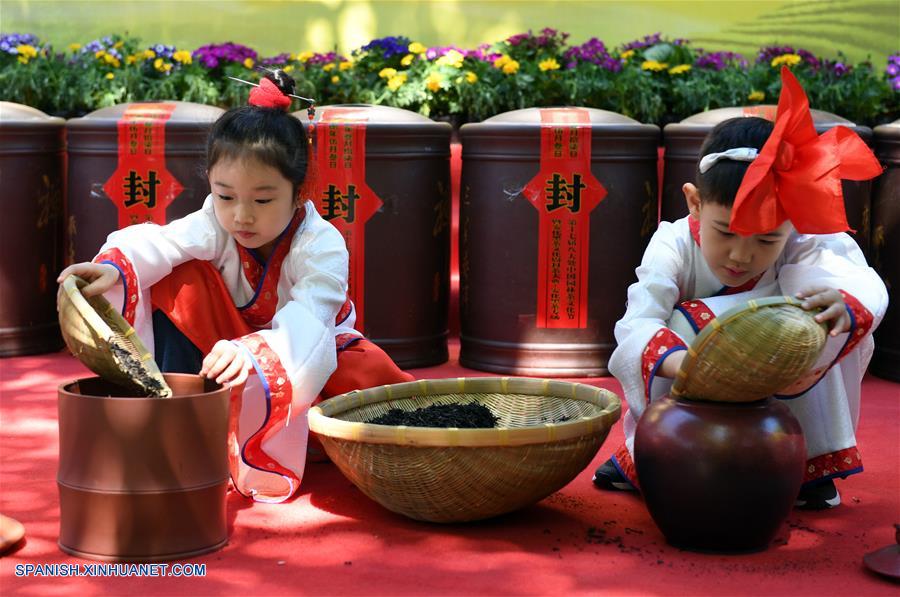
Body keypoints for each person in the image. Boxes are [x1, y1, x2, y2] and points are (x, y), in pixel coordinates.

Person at [56, 70, 413, 503]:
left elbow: (310, 320)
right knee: (174, 273)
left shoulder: (321, 244)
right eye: (226, 196)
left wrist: (253, 352)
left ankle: (293, 432)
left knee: (369, 379)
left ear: (299, 192)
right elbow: (165, 241)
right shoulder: (213, 222)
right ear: (210, 183)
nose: (242, 216)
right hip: (229, 347)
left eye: (263, 200)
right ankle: (179, 409)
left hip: (306, 355)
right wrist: (116, 268)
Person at [592, 66, 888, 510]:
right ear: (694, 202)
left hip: (777, 367)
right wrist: (688, 363)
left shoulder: (803, 238)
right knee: (676, 323)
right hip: (692, 375)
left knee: (828, 319)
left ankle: (805, 461)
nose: (740, 256)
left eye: (767, 239)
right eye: (726, 232)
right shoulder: (672, 242)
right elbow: (639, 322)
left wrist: (845, 306)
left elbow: (858, 281)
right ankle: (654, 452)